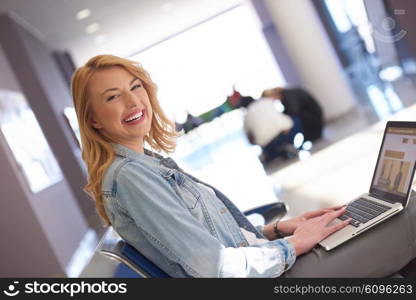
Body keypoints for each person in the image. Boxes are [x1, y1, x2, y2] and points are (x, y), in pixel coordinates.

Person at [71, 54, 416, 277]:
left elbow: (203, 242)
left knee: (383, 229)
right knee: (409, 213)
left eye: (136, 87)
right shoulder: (132, 177)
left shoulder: (146, 165)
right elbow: (213, 268)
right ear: (93, 120)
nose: (133, 101)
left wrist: (279, 229)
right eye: (113, 96)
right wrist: (294, 245)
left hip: (267, 261)